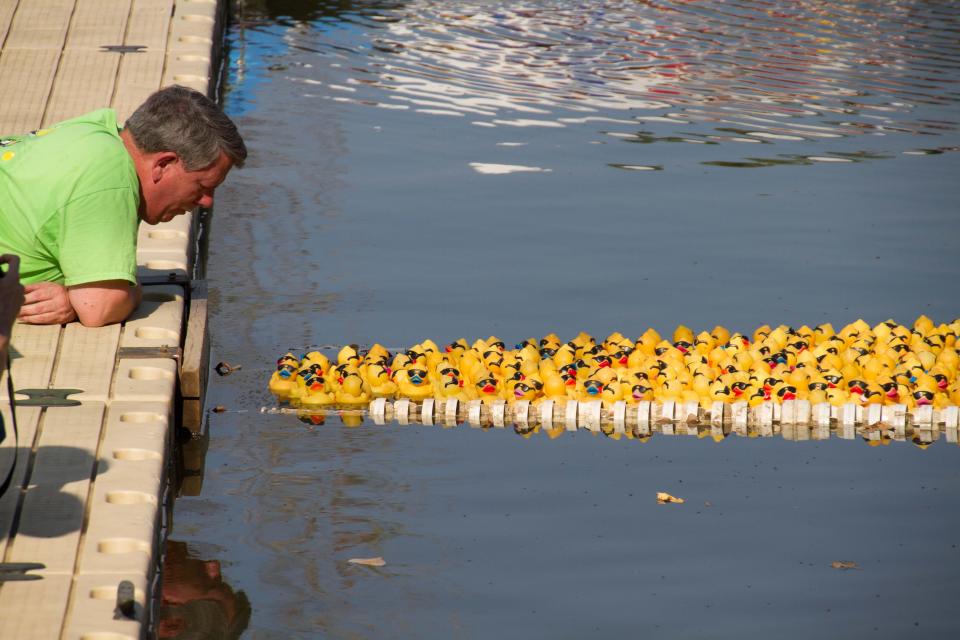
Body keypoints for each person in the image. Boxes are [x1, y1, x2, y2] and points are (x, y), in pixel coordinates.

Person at [0, 85, 246, 327]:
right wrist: (130, 288)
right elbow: (100, 308)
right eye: (203, 186)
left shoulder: (95, 132)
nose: (207, 201)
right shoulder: (109, 179)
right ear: (163, 164)